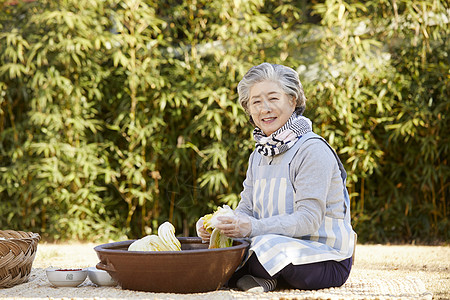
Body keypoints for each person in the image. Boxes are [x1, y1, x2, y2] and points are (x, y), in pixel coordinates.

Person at [196, 63, 356, 292]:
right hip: (273, 244)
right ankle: (264, 278)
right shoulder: (258, 155)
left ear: (293, 100)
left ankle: (254, 275)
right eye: (256, 102)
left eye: (273, 98)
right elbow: (246, 209)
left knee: (262, 245)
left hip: (324, 257)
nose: (265, 109)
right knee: (232, 247)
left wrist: (251, 227)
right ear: (249, 109)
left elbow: (308, 219)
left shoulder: (311, 149)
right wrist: (218, 226)